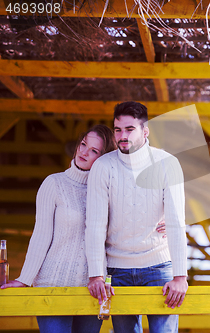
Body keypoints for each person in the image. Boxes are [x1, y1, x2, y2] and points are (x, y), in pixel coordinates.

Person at [0, 125, 116, 333]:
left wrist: (158, 223)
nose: (83, 152)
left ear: (104, 158)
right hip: (52, 285)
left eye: (94, 151)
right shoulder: (54, 183)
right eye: (83, 145)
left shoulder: (108, 192)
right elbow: (41, 236)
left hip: (92, 290)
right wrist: (25, 279)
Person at [85, 101, 188, 333]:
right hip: (116, 271)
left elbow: (175, 222)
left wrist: (180, 276)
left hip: (159, 267)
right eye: (118, 129)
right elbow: (94, 225)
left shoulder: (167, 163)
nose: (123, 136)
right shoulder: (102, 167)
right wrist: (96, 275)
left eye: (130, 129)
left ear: (145, 130)